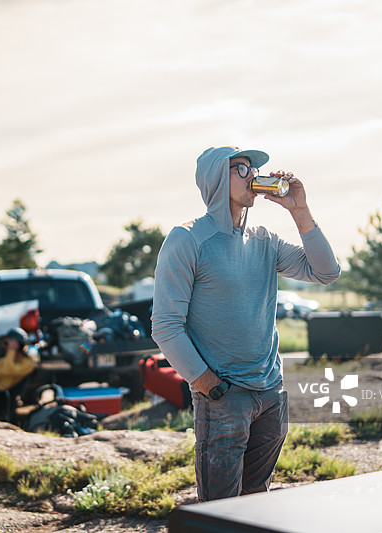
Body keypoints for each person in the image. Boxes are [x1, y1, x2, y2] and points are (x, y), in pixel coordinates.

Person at [151, 145, 341, 501]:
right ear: (216, 179)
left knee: (257, 500)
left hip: (270, 393)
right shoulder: (187, 239)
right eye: (241, 168)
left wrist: (300, 211)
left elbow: (326, 272)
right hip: (224, 396)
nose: (252, 174)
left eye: (253, 168)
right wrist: (209, 385)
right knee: (220, 509)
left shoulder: (264, 241)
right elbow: (166, 325)